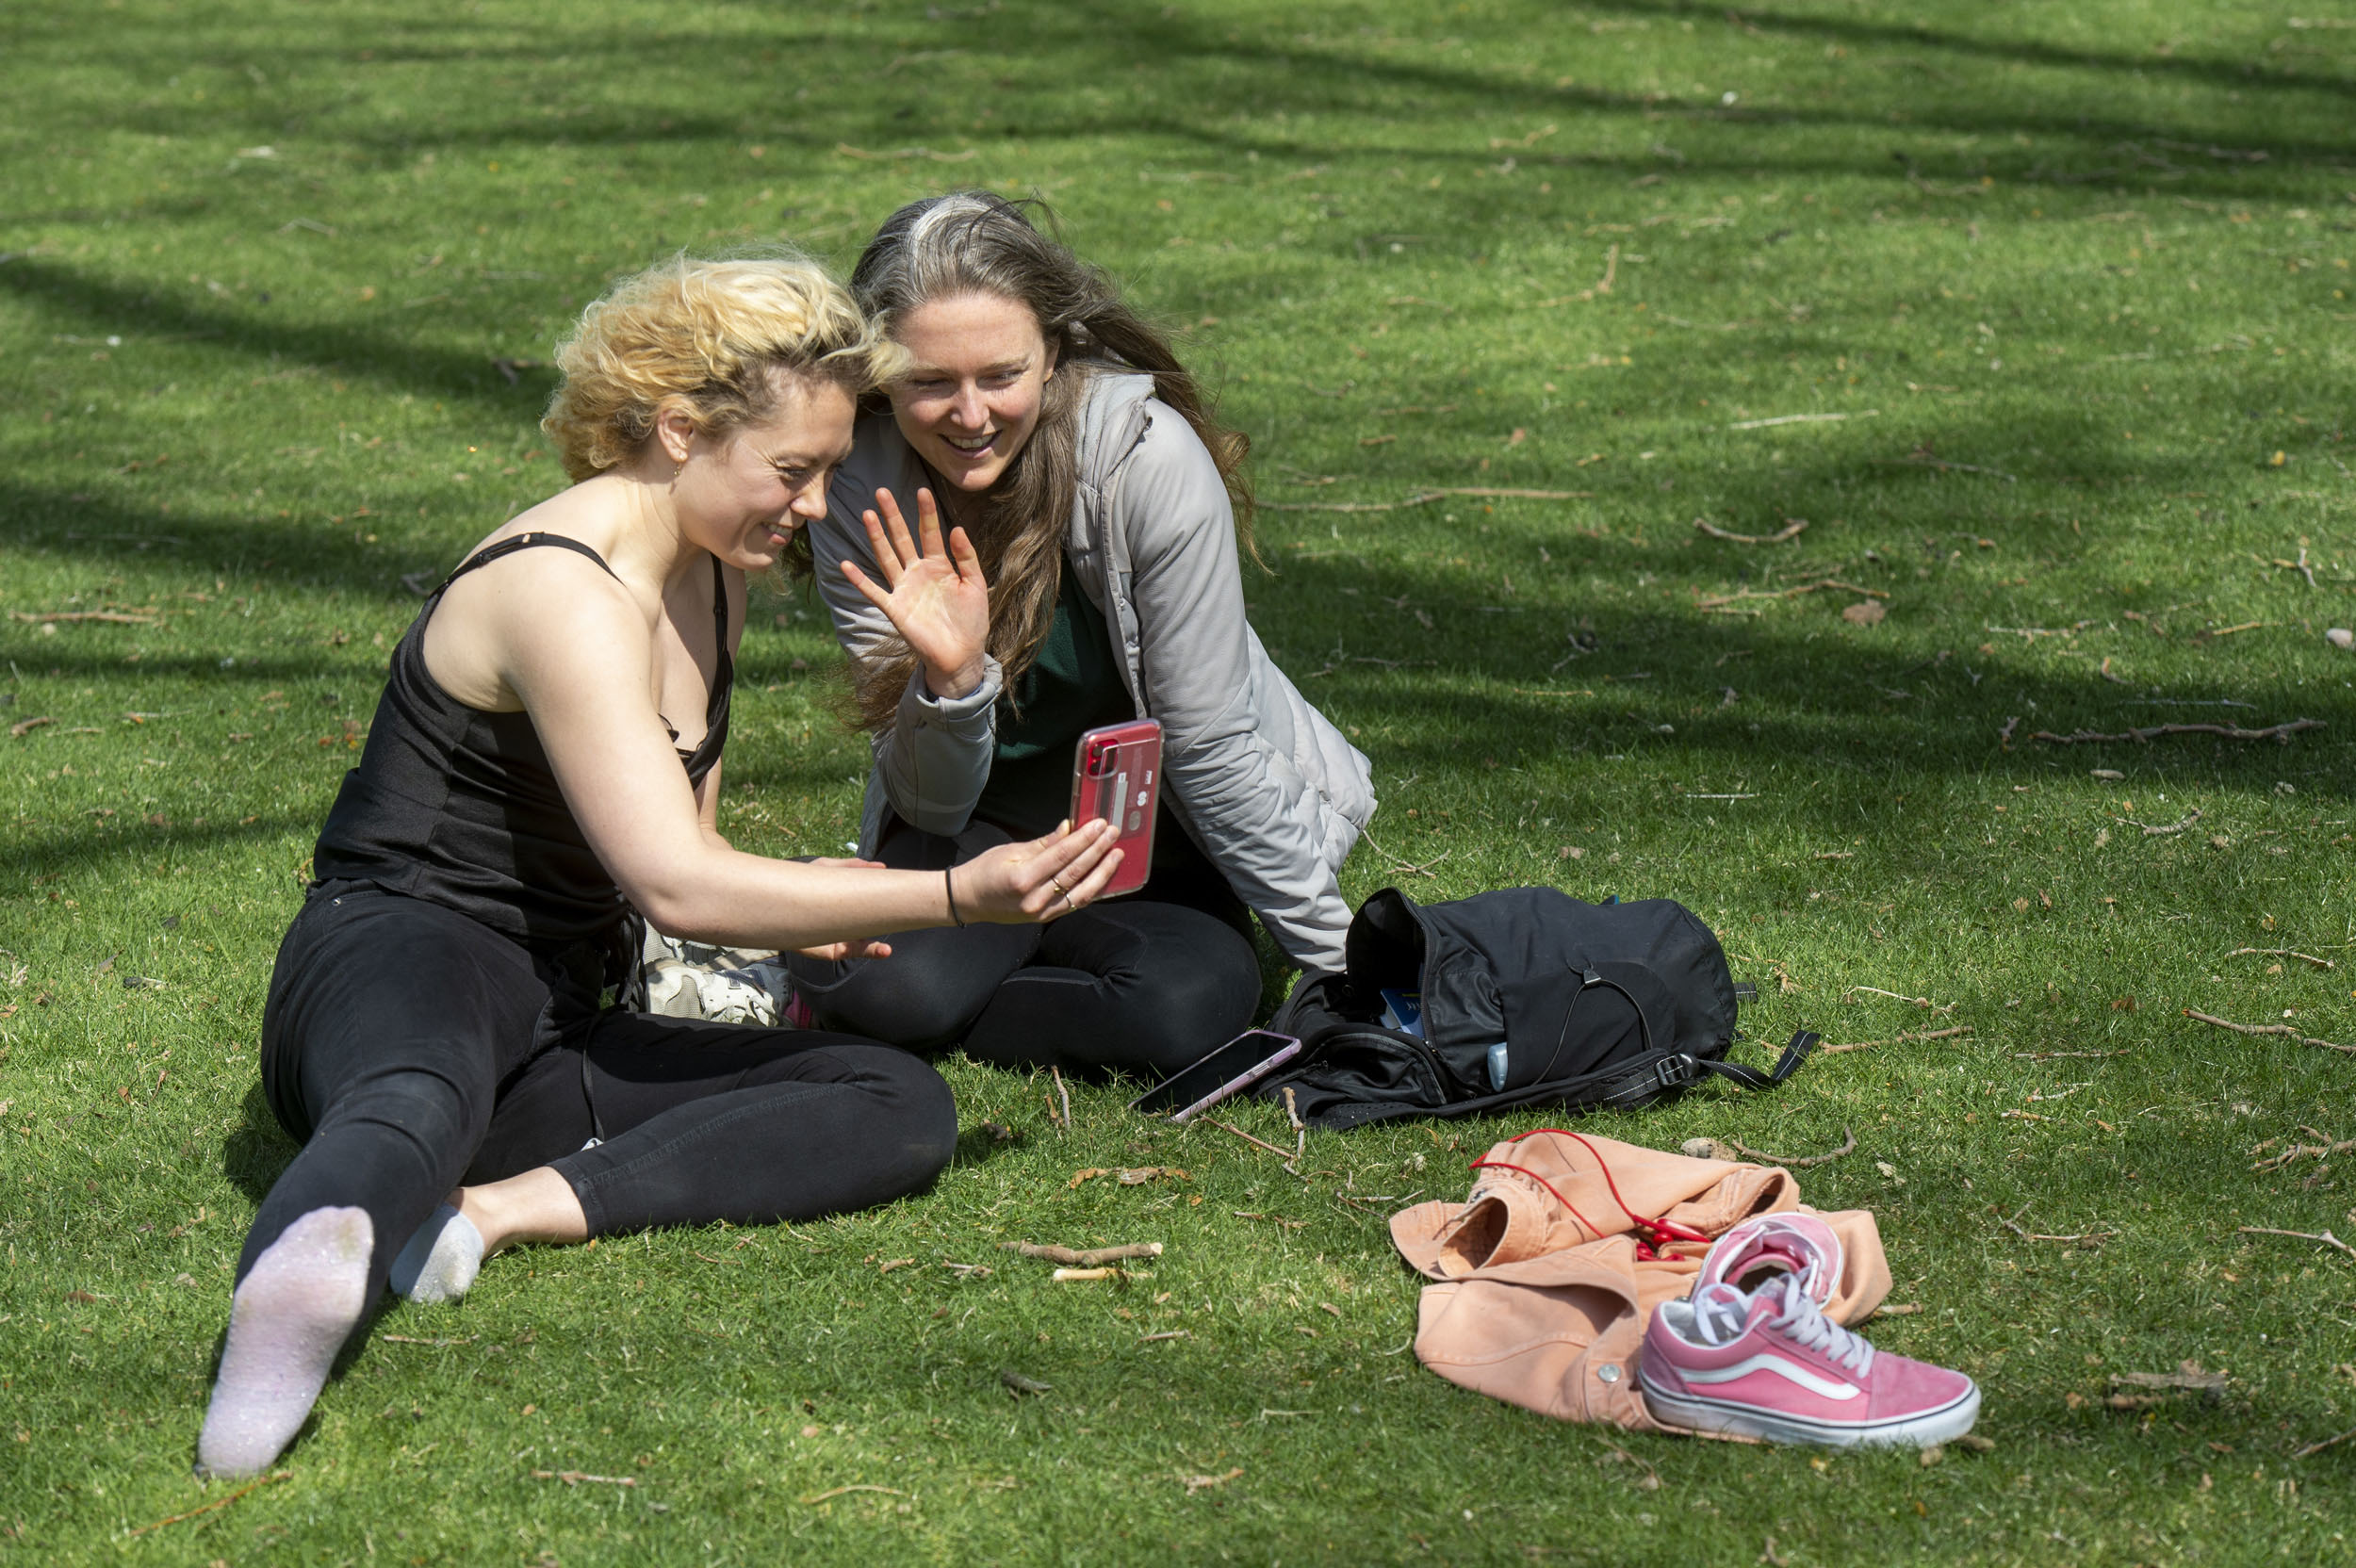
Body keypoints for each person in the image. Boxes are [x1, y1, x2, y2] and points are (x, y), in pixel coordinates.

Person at [195, 254, 1121, 1479]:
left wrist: (806, 909)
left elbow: (688, 863)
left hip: (558, 1011)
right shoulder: (560, 588)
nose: (812, 505)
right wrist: (958, 894)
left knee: (896, 1101)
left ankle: (481, 1214)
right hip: (401, 953)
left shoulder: (713, 579)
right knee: (419, 1096)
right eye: (793, 471)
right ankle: (293, 1309)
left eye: (830, 471)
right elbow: (679, 888)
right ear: (678, 429)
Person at [779, 191, 1375, 1081]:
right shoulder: (858, 485)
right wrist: (951, 682)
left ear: (1054, 354)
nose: (969, 415)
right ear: (880, 377)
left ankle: (978, 980)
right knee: (879, 994)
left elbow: (1210, 741)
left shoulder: (1150, 462)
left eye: (1001, 375)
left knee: (1185, 1009)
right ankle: (928, 976)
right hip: (975, 837)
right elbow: (931, 804)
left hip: (1146, 839)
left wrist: (1345, 975)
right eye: (928, 381)